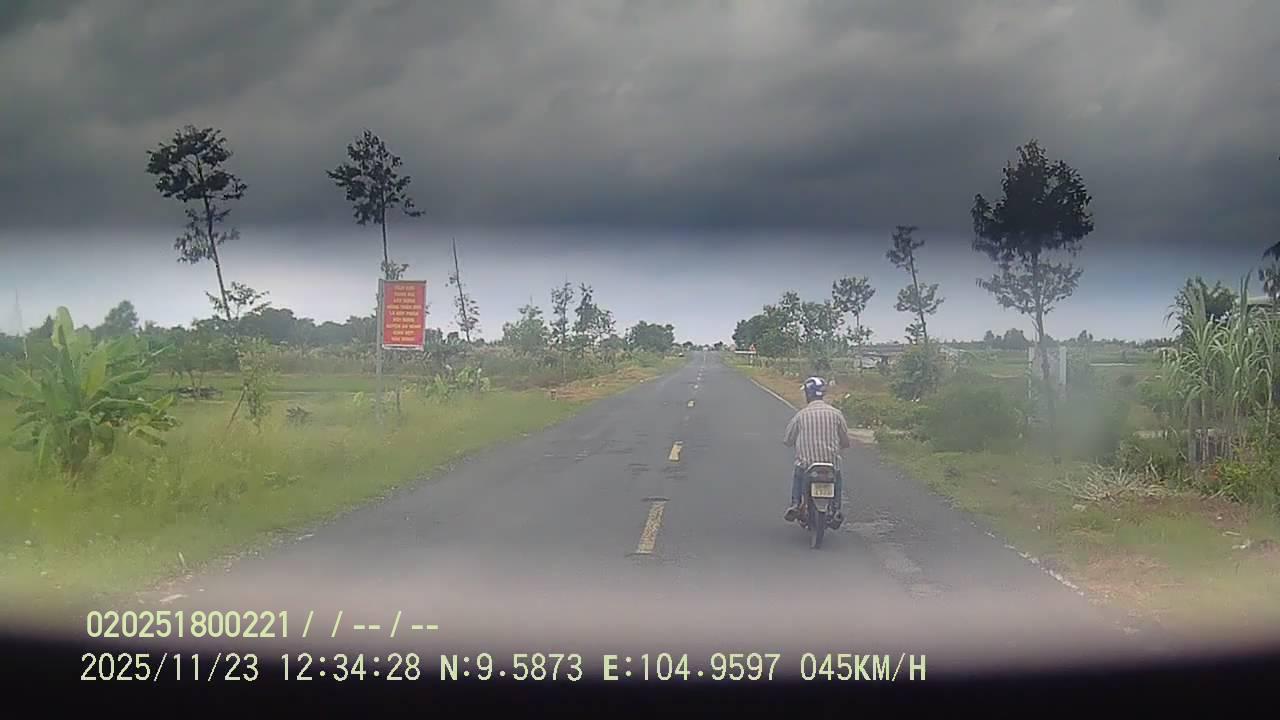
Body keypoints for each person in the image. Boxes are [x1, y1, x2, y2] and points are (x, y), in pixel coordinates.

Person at [782, 376, 850, 524]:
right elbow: (845, 441)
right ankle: (837, 508)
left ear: (808, 394)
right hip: (830, 464)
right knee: (837, 477)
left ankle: (795, 504)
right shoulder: (836, 414)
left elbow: (788, 439)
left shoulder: (801, 415)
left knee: (798, 474)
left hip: (807, 465)